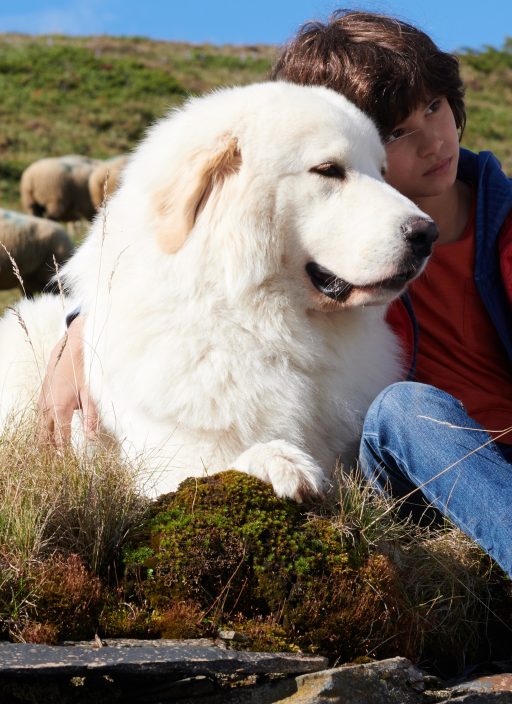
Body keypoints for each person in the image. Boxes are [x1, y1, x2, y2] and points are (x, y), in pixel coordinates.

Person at [37, 10, 512, 579]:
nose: (434, 139)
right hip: (422, 479)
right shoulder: (357, 247)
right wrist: (85, 318)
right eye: (396, 131)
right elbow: (163, 243)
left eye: (435, 106)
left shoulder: (492, 226)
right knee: (407, 410)